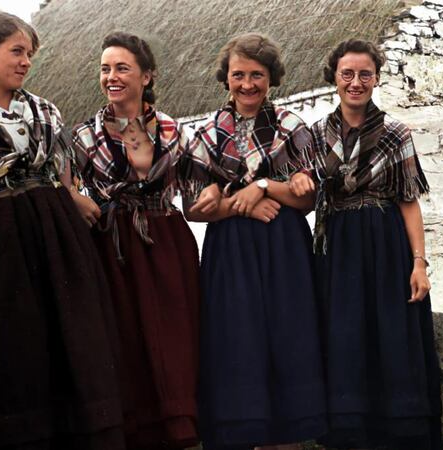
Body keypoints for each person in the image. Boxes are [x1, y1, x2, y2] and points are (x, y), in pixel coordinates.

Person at [0, 12, 124, 449]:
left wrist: (60, 217)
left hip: (59, 244)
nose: (26, 62)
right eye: (17, 51)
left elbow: (63, 181)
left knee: (75, 342)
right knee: (16, 350)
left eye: (29, 54)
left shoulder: (45, 112)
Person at [180, 32, 327, 450]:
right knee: (237, 343)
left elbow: (309, 197)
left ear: (272, 78)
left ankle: (289, 440)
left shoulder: (292, 126)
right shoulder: (206, 132)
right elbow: (192, 208)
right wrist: (243, 204)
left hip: (284, 249)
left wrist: (261, 186)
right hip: (230, 252)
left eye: (257, 75)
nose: (248, 84)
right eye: (238, 74)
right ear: (225, 78)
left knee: (288, 339)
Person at [306, 38, 442, 449]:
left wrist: (419, 263)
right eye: (347, 74)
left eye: (365, 74)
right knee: (344, 337)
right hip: (337, 248)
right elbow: (300, 187)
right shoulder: (314, 135)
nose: (356, 82)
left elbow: (408, 201)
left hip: (385, 246)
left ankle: (399, 434)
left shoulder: (396, 133)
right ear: (334, 78)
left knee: (391, 335)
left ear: (376, 78)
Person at [71, 31, 200, 450]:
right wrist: (76, 198)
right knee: (123, 336)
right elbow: (61, 189)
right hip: (113, 246)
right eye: (105, 68)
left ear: (147, 76)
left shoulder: (175, 131)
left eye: (122, 68)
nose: (112, 76)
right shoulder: (82, 138)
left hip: (167, 240)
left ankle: (179, 427)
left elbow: (200, 194)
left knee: (175, 335)